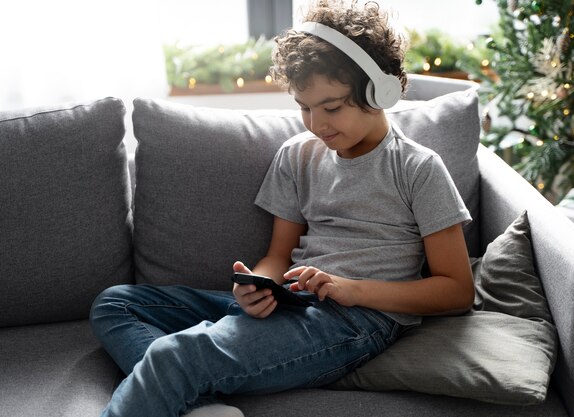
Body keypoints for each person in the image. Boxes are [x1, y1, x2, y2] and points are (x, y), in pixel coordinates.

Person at [89, 1, 474, 416]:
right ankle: (197, 404)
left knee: (174, 355)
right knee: (115, 303)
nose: (317, 124)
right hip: (289, 302)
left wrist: (350, 288)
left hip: (356, 321)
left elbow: (457, 290)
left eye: (331, 107)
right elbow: (278, 256)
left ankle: (180, 377)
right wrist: (256, 286)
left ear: (381, 90)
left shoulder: (417, 168)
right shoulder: (298, 155)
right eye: (304, 107)